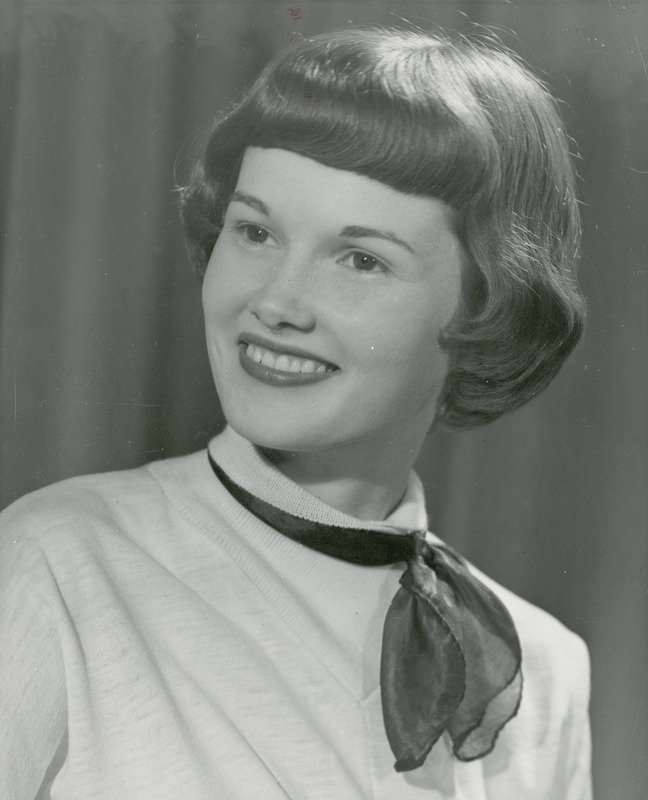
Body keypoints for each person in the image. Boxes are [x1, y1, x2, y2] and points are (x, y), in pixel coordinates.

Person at [0, 26, 591, 800]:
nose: (275, 303)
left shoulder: (539, 669)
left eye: (361, 259)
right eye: (254, 232)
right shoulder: (55, 567)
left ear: (488, 307)